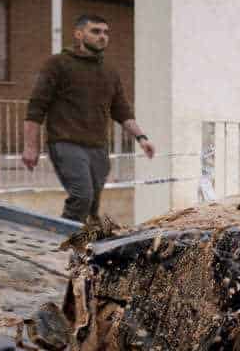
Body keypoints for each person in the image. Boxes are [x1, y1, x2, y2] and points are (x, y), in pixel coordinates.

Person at [22, 14, 154, 222]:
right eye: (96, 31)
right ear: (79, 34)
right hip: (66, 143)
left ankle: (83, 248)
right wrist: (30, 146)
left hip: (98, 148)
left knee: (92, 207)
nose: (103, 36)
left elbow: (121, 110)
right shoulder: (58, 64)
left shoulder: (109, 72)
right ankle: (64, 243)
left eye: (105, 32)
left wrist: (142, 137)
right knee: (82, 197)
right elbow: (36, 107)